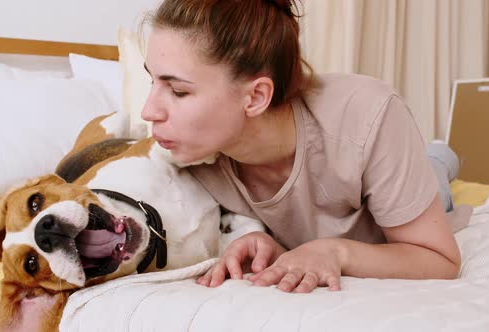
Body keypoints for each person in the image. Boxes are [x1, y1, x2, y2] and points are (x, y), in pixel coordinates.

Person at [140, 0, 463, 293]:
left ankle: (440, 155)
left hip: (387, 184)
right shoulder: (187, 155)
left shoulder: (367, 116)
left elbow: (440, 259)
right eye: (152, 81)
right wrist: (265, 244)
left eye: (178, 92)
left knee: (436, 178)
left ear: (255, 97)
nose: (149, 111)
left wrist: (335, 251)